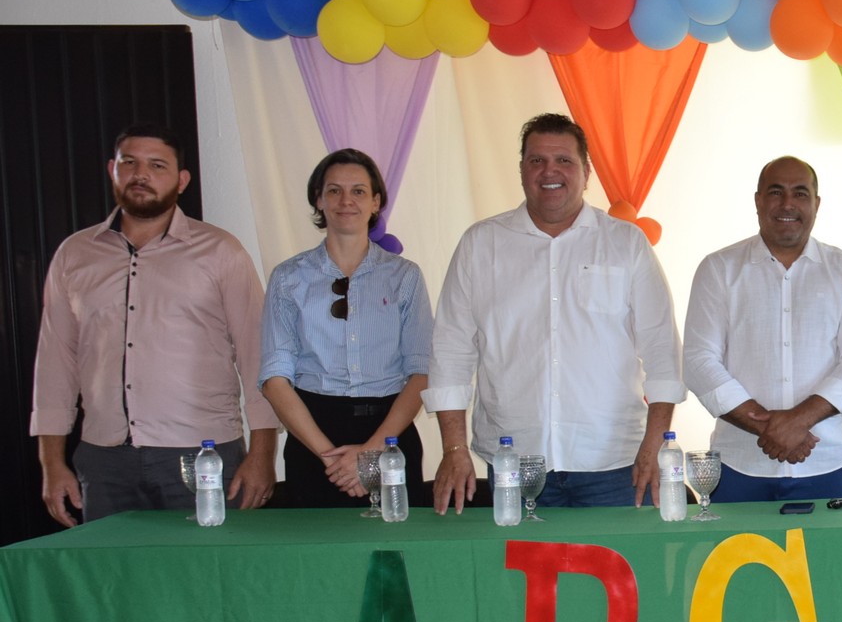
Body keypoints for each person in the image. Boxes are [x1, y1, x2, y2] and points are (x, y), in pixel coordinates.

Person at [424, 113, 683, 512]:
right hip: (514, 462)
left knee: (623, 573)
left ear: (586, 172)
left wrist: (654, 444)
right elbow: (451, 352)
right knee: (521, 575)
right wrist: (454, 447)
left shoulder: (625, 244)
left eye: (564, 160)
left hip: (615, 465)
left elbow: (663, 350)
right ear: (522, 170)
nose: (550, 171)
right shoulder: (482, 244)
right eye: (536, 161)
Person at [31, 124, 278, 525]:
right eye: (130, 163)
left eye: (157, 165)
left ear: (181, 181)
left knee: (202, 578)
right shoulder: (75, 254)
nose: (140, 175)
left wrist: (263, 453)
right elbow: (55, 362)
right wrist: (51, 462)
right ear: (113, 169)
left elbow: (258, 355)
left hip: (203, 455)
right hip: (104, 459)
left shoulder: (220, 252)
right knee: (113, 581)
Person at [684, 156, 842, 502]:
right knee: (737, 559)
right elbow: (699, 361)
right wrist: (772, 429)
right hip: (738, 466)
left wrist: (798, 422)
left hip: (823, 463)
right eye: (776, 192)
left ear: (816, 204)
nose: (788, 204)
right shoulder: (718, 269)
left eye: (800, 194)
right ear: (758, 200)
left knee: (826, 559)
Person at [259, 149, 433, 507]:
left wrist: (370, 454)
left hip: (389, 435)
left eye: (358, 191)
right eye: (334, 191)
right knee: (316, 557)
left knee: (395, 554)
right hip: (314, 438)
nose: (346, 201)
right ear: (319, 200)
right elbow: (275, 379)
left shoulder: (404, 276)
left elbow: (422, 373)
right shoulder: (289, 278)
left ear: (375, 202)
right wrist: (331, 459)